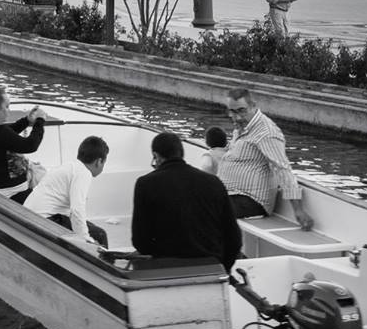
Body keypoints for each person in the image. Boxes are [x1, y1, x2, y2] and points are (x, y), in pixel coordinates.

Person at [129, 132, 242, 271]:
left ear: (156, 156)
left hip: (164, 269)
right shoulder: (213, 182)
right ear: (182, 153)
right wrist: (223, 268)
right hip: (210, 268)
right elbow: (234, 238)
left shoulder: (145, 184)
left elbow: (140, 242)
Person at [218, 88, 312, 227]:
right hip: (232, 194)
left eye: (241, 110)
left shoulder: (266, 133)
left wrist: (298, 210)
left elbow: (282, 169)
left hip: (252, 200)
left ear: (253, 106)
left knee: (202, 208)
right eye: (232, 111)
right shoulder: (242, 126)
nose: (236, 116)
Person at [22, 135, 110, 246]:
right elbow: (77, 210)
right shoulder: (83, 173)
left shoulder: (70, 166)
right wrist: (85, 240)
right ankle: (98, 263)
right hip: (44, 220)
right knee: (100, 234)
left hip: (29, 215)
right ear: (99, 161)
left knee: (88, 228)